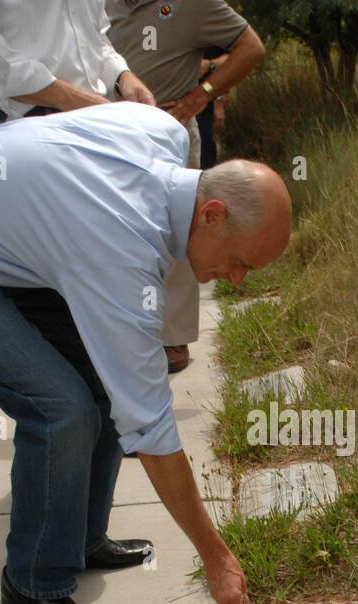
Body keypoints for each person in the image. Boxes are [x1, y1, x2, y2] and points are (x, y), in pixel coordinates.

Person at [0, 102, 290, 604]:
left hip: (0, 242)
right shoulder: (119, 247)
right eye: (241, 262)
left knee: (99, 387)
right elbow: (150, 426)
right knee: (59, 407)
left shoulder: (162, 131)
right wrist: (216, 556)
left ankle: (79, 537)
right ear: (212, 214)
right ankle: (33, 580)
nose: (235, 278)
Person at [104, 0, 265, 373]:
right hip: (107, 136)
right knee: (116, 239)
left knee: (176, 233)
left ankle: (172, 337)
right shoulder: (94, 5)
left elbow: (251, 47)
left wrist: (203, 93)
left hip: (168, 132)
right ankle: (121, 334)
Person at [0, 0, 156, 135]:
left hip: (92, 121)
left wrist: (121, 76)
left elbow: (92, 36)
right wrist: (68, 98)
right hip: (20, 127)